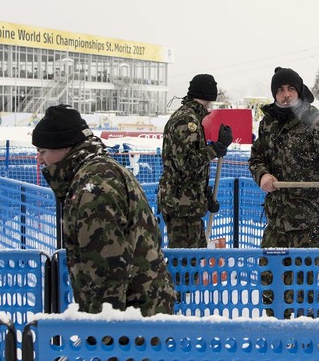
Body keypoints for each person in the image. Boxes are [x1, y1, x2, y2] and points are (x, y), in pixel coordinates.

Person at [32, 104, 176, 317]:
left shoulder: (94, 188)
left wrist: (103, 337)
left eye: (43, 151)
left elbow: (108, 270)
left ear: (64, 147)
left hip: (130, 324)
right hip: (140, 313)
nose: (40, 159)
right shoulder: (97, 172)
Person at [248, 67, 319, 318]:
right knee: (270, 279)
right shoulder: (268, 123)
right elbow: (256, 157)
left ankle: (305, 344)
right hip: (276, 219)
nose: (285, 95)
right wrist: (262, 174)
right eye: (280, 90)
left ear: (299, 91)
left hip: (308, 219)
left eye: (290, 89)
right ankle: (277, 336)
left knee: (301, 287)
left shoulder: (313, 119)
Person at [158, 74, 233, 248]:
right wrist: (216, 148)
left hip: (188, 205)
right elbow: (186, 163)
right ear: (209, 96)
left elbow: (187, 169)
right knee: (186, 266)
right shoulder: (187, 120)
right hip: (181, 207)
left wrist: (204, 196)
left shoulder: (191, 117)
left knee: (195, 260)